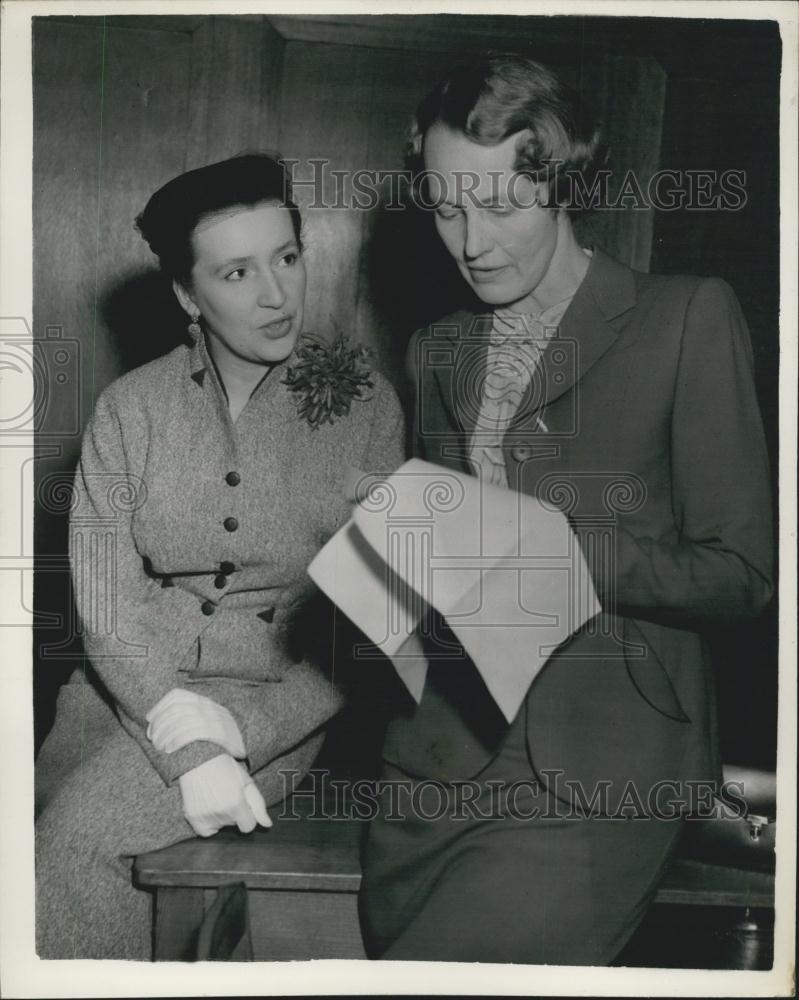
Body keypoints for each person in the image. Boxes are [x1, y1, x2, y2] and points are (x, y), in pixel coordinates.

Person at [358, 55, 774, 964]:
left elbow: (743, 575)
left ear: (560, 186)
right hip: (436, 768)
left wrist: (555, 546)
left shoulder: (684, 318)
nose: (470, 241)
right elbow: (448, 569)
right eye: (445, 206)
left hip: (600, 771)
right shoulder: (436, 349)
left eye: (500, 206)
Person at [35, 153, 405, 960]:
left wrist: (242, 733)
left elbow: (369, 624)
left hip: (268, 709)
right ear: (185, 295)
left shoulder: (367, 406)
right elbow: (105, 605)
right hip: (122, 694)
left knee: (77, 848)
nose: (276, 294)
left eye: (287, 257)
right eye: (237, 272)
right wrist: (189, 746)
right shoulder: (130, 409)